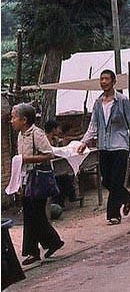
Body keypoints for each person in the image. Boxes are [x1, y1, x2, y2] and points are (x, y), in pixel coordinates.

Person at [77, 69, 130, 225]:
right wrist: (84, 142)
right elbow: (93, 125)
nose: (103, 82)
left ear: (113, 82)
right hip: (104, 146)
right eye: (101, 79)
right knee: (106, 180)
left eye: (106, 79)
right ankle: (126, 197)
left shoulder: (122, 100)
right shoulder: (98, 103)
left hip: (120, 145)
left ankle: (113, 214)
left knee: (116, 180)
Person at [11, 103, 64, 265]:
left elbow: (49, 154)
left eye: (14, 117)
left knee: (36, 214)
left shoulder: (37, 134)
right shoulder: (21, 135)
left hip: (38, 180)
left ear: (24, 120)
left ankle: (47, 244)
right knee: (30, 214)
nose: (11, 121)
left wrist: (27, 160)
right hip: (26, 179)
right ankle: (40, 248)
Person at [44, 120, 79, 207]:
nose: (59, 130)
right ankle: (59, 202)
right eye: (57, 128)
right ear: (53, 129)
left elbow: (62, 147)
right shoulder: (44, 140)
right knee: (61, 178)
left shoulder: (55, 139)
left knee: (65, 176)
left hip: (56, 165)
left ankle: (66, 199)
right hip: (47, 166)